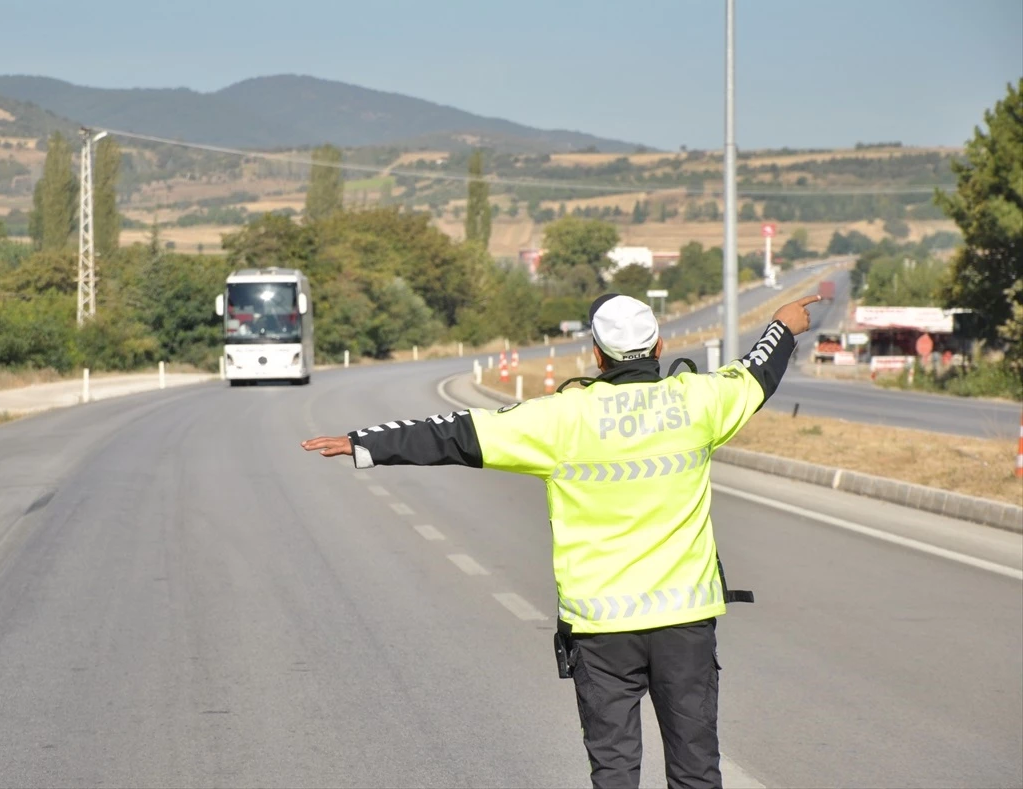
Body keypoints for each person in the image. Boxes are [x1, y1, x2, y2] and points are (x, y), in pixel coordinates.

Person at [302, 292, 820, 789]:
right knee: (696, 771)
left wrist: (362, 442)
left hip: (601, 631)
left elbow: (456, 433)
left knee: (614, 773)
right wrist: (783, 323)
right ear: (660, 346)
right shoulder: (698, 402)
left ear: (596, 354)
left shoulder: (560, 417)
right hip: (684, 627)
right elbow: (758, 370)